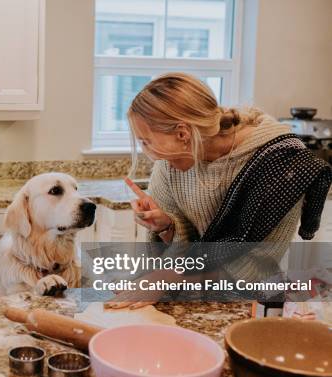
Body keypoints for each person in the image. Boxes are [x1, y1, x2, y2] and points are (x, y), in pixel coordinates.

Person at [106, 72, 332, 309]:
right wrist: (166, 226)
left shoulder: (280, 163)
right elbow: (184, 252)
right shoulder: (171, 161)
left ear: (183, 134)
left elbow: (255, 266)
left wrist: (168, 279)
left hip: (250, 300)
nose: (147, 152)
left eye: (146, 141)